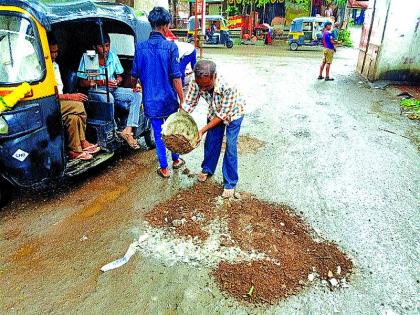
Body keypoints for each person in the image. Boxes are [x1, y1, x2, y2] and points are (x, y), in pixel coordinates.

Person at [131, 7, 185, 178]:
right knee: (172, 130)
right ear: (165, 26)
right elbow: (176, 77)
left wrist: (135, 85)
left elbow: (134, 74)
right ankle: (176, 160)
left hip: (151, 100)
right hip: (169, 99)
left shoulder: (140, 47)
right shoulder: (171, 47)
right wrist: (182, 99)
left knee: (158, 132)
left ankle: (164, 168)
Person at [182, 60, 245, 198]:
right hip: (214, 110)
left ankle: (230, 183)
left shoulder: (228, 86)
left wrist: (201, 130)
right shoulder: (195, 81)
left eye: (207, 86)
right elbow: (190, 102)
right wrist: (178, 119)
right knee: (211, 141)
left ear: (214, 76)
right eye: (200, 86)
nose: (203, 89)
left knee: (230, 145)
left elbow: (222, 115)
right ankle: (208, 168)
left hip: (233, 113)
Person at [77, 33, 141, 149]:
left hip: (113, 89)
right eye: (102, 46)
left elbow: (120, 75)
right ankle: (114, 130)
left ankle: (127, 130)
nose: (105, 49)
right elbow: (82, 82)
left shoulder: (112, 56)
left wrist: (117, 80)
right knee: (109, 98)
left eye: (107, 46)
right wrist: (101, 82)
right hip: (96, 91)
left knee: (136, 95)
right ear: (95, 46)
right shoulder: (90, 57)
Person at [48, 34, 100, 160]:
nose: (54, 55)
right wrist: (72, 96)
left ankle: (74, 151)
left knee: (73, 118)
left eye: (56, 52)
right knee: (79, 104)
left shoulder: (55, 65)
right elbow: (86, 82)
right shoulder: (43, 67)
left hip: (61, 99)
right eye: (51, 52)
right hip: (51, 102)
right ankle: (82, 141)